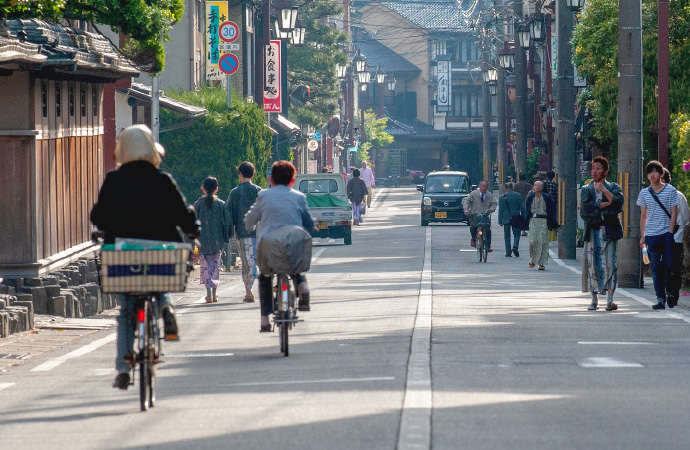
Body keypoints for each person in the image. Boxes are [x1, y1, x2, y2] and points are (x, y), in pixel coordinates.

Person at [90, 124, 199, 390]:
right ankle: (166, 307)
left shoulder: (113, 181)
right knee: (161, 278)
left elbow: (98, 217)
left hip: (124, 254)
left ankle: (123, 366)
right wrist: (193, 229)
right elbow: (183, 215)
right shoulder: (163, 180)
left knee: (127, 310)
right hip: (162, 250)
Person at [244, 161, 315, 331]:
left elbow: (249, 219)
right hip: (294, 239)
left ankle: (264, 320)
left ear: (272, 179)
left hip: (270, 242)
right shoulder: (299, 196)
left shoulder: (264, 195)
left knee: (265, 277)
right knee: (295, 267)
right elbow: (308, 221)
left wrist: (248, 225)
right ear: (292, 180)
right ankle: (302, 286)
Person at [580, 157, 624, 311]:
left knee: (611, 264)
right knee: (593, 264)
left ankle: (610, 300)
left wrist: (604, 192)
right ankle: (594, 299)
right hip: (593, 231)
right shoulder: (586, 189)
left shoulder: (613, 187)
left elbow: (617, 205)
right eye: (593, 168)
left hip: (609, 231)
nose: (594, 171)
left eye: (598, 168)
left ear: (605, 171)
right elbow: (585, 210)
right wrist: (603, 204)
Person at [637, 160, 679, 310]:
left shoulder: (670, 190)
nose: (652, 174)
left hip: (666, 234)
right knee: (655, 267)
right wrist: (643, 236)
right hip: (651, 235)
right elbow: (643, 215)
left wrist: (670, 231)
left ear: (661, 174)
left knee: (669, 265)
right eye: (649, 172)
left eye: (655, 171)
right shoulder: (644, 193)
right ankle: (660, 298)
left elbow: (674, 212)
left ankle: (671, 293)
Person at [227, 161, 262, 303]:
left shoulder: (234, 193)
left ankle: (248, 290)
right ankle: (250, 286)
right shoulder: (258, 190)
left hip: (241, 233)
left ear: (240, 174)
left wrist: (229, 232)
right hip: (258, 232)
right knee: (255, 260)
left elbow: (229, 214)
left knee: (246, 262)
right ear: (253, 174)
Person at [194, 176, 231, 304]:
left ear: (203, 188)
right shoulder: (221, 204)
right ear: (216, 189)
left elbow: (192, 222)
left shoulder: (198, 204)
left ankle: (208, 293)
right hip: (217, 241)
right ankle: (214, 294)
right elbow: (227, 223)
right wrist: (227, 237)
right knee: (215, 266)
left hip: (202, 241)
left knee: (204, 266)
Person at [662, 168, 689, 306]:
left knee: (670, 266)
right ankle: (670, 293)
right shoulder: (680, 196)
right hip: (674, 237)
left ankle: (670, 293)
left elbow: (685, 218)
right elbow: (685, 219)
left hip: (672, 237)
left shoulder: (677, 196)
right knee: (672, 266)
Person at [524, 181, 558, 270]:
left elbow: (551, 210)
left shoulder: (546, 197)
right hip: (533, 221)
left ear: (540, 188)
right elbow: (527, 210)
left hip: (543, 221)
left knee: (543, 242)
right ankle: (533, 259)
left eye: (536, 185)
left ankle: (541, 263)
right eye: (534, 185)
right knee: (532, 241)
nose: (534, 187)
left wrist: (552, 222)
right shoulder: (530, 197)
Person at [463, 180, 497, 251]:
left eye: (486, 186)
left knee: (488, 230)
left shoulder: (489, 195)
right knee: (473, 227)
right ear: (479, 186)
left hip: (485, 215)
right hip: (475, 214)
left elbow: (494, 203)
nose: (484, 188)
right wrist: (466, 210)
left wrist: (492, 209)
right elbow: (466, 201)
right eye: (482, 186)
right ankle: (473, 239)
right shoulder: (473, 194)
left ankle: (488, 246)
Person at [498, 182, 524, 257]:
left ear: (505, 188)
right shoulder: (518, 195)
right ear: (512, 187)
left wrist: (500, 220)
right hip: (516, 216)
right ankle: (515, 246)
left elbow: (501, 210)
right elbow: (521, 207)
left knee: (507, 235)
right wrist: (523, 216)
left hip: (506, 218)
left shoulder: (502, 197)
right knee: (516, 233)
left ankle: (508, 252)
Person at [513, 171, 533, 236]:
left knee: (519, 216)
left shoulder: (516, 185)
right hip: (526, 202)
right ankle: (524, 230)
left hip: (518, 202)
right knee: (525, 216)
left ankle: (520, 229)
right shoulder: (529, 185)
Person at [544, 171, 559, 242]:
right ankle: (553, 231)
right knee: (552, 217)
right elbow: (556, 195)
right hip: (552, 203)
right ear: (553, 177)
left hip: (544, 203)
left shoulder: (544, 183)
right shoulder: (555, 184)